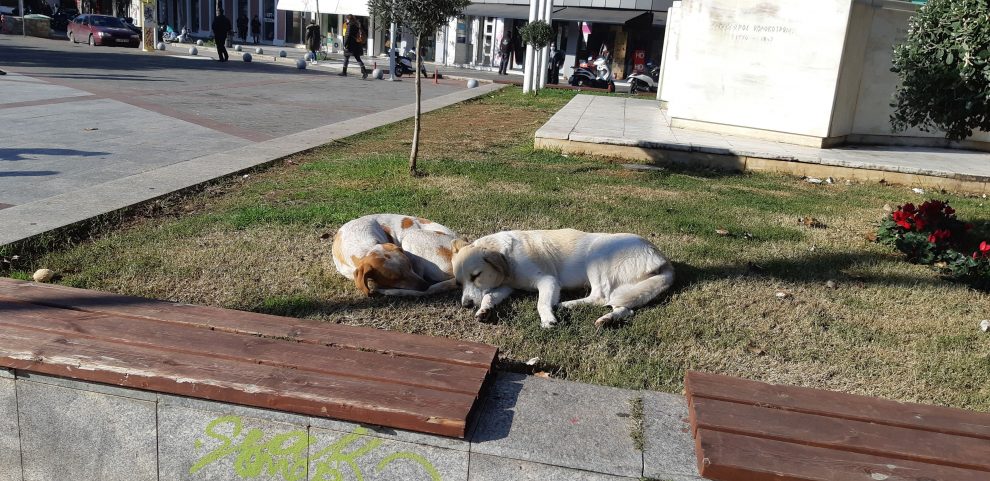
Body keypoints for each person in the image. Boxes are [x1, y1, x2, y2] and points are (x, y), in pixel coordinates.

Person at [338, 14, 367, 79]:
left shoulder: (350, 25)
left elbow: (347, 35)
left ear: (348, 19)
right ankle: (364, 72)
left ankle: (344, 72)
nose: (346, 20)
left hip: (350, 45)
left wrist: (345, 44)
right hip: (357, 44)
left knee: (346, 57)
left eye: (346, 19)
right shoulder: (357, 24)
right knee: (357, 58)